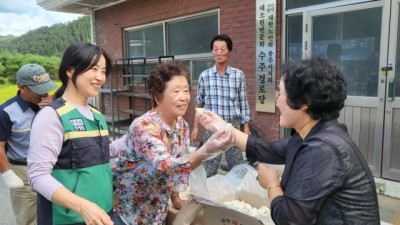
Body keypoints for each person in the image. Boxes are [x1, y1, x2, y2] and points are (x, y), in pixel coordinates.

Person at [197, 58, 381, 224]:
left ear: (304, 102)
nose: (277, 102)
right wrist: (220, 125)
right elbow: (266, 149)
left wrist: (271, 184)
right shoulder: (314, 134)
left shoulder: (324, 149)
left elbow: (289, 220)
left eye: (281, 94)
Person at [111, 60, 234, 225]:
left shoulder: (181, 125)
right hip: (130, 213)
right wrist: (205, 151)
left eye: (186, 90)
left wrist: (175, 197)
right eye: (176, 91)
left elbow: (181, 159)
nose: (184, 97)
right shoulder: (144, 126)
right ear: (157, 96)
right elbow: (168, 166)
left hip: (157, 213)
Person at [27, 43, 126, 225]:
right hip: (68, 218)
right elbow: (38, 176)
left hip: (101, 213)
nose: (100, 77)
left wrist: (133, 135)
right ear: (70, 71)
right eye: (94, 69)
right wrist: (82, 206)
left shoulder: (97, 115)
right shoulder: (52, 116)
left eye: (103, 71)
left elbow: (102, 153)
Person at [0, 63, 57, 225]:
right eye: (39, 90)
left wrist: (51, 109)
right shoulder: (6, 112)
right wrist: (7, 174)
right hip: (23, 171)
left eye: (46, 88)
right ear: (22, 88)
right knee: (28, 218)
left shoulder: (49, 105)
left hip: (50, 166)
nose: (45, 93)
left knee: (53, 214)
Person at [191, 34, 251, 177]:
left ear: (229, 51)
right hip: (211, 126)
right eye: (215, 49)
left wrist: (246, 127)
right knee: (209, 162)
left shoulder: (238, 75)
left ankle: (237, 195)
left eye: (222, 49)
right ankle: (205, 195)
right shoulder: (205, 76)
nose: (219, 53)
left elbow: (243, 102)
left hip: (233, 126)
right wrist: (195, 126)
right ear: (212, 51)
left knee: (236, 163)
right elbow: (199, 103)